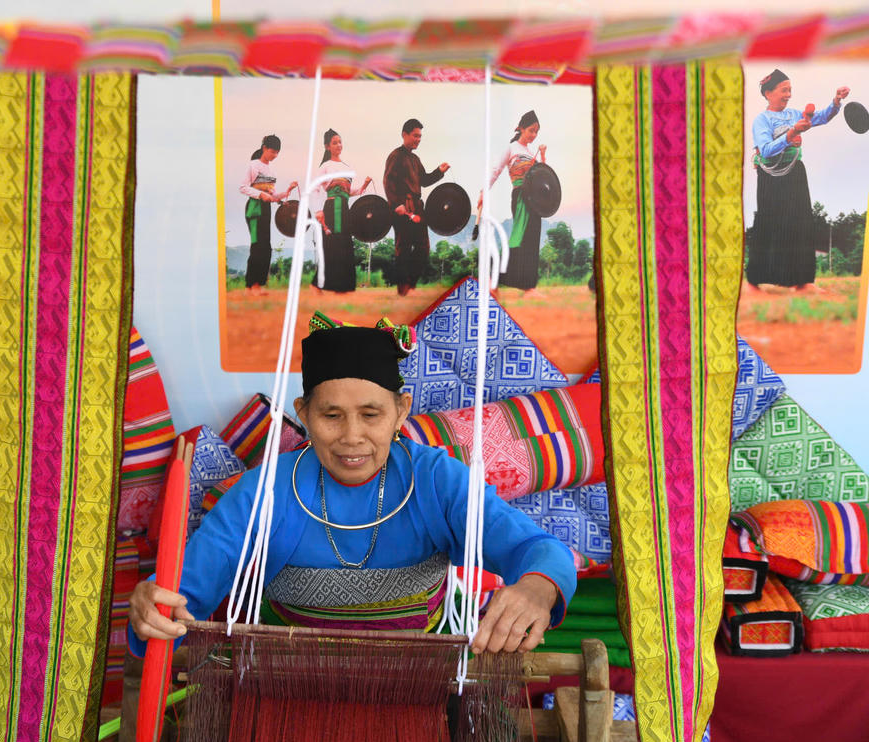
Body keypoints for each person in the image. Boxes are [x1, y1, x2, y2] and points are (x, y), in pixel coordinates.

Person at [128, 325, 576, 655]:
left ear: (401, 412)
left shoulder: (437, 481)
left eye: (370, 414)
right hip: (289, 685)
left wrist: (538, 587)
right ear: (303, 413)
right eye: (331, 415)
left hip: (422, 684)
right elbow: (183, 590)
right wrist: (150, 609)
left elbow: (538, 549)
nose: (352, 437)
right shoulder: (268, 491)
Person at [747, 69, 849, 294]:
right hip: (770, 177)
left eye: (790, 90)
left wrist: (836, 101)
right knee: (769, 223)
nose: (789, 95)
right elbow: (765, 150)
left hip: (794, 172)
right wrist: (792, 133)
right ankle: (755, 281)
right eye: (784, 90)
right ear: (768, 93)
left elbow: (821, 117)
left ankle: (803, 281)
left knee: (802, 221)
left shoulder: (793, 113)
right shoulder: (762, 120)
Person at [482, 110, 547, 295]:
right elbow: (496, 170)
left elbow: (543, 175)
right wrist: (483, 192)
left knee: (533, 238)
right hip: (520, 197)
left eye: (536, 132)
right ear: (521, 129)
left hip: (534, 199)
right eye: (531, 131)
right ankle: (493, 275)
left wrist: (542, 156)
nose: (534, 135)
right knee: (520, 237)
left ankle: (529, 286)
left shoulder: (529, 151)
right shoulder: (511, 148)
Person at [383, 119, 449, 297]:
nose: (418, 139)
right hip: (402, 206)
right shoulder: (395, 156)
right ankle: (402, 289)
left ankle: (411, 284)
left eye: (420, 136)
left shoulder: (415, 159)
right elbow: (388, 181)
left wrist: (439, 172)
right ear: (404, 134)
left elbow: (424, 181)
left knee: (423, 247)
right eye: (415, 136)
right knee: (403, 247)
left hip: (418, 206)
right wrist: (396, 204)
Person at [310, 128, 372, 294]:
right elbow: (315, 189)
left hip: (344, 209)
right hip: (331, 209)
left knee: (344, 245)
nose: (339, 145)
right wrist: (317, 210)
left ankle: (341, 287)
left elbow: (348, 192)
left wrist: (364, 186)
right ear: (327, 146)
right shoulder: (325, 166)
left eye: (340, 142)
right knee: (332, 245)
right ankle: (317, 284)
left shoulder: (348, 167)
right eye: (335, 142)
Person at [239, 134, 297, 296]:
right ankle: (251, 286)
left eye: (277, 152)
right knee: (258, 246)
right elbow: (243, 187)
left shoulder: (271, 170)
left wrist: (287, 192)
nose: (275, 155)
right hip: (254, 209)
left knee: (266, 247)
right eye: (272, 151)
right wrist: (260, 195)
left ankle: (258, 285)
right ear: (264, 148)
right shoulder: (253, 165)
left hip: (266, 209)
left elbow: (273, 195)